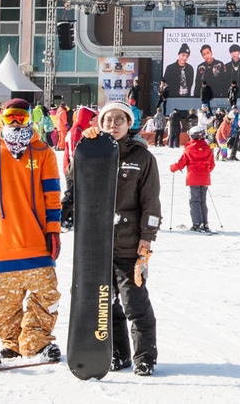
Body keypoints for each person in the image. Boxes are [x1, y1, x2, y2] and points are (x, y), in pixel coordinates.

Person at [0, 99, 62, 366]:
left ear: (29, 119)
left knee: (46, 296)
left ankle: (37, 342)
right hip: (0, 242)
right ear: (2, 118)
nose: (15, 123)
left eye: (21, 117)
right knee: (4, 303)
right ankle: (10, 345)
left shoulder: (44, 152)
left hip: (37, 242)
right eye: (10, 117)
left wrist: (53, 230)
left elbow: (52, 195)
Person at [82, 101, 160, 375]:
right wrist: (83, 148)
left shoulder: (143, 158)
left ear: (129, 123)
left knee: (135, 304)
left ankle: (145, 358)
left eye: (119, 120)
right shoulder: (92, 152)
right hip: (97, 246)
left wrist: (147, 238)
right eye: (107, 120)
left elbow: (151, 204)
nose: (112, 125)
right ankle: (118, 354)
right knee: (107, 304)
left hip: (129, 244)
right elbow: (74, 184)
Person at [169, 124, 216, 233]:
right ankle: (205, 223)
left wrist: (173, 168)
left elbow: (181, 163)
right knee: (203, 201)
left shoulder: (189, 148)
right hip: (204, 178)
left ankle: (196, 223)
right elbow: (212, 164)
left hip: (193, 179)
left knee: (194, 201)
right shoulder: (208, 148)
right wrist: (206, 171)